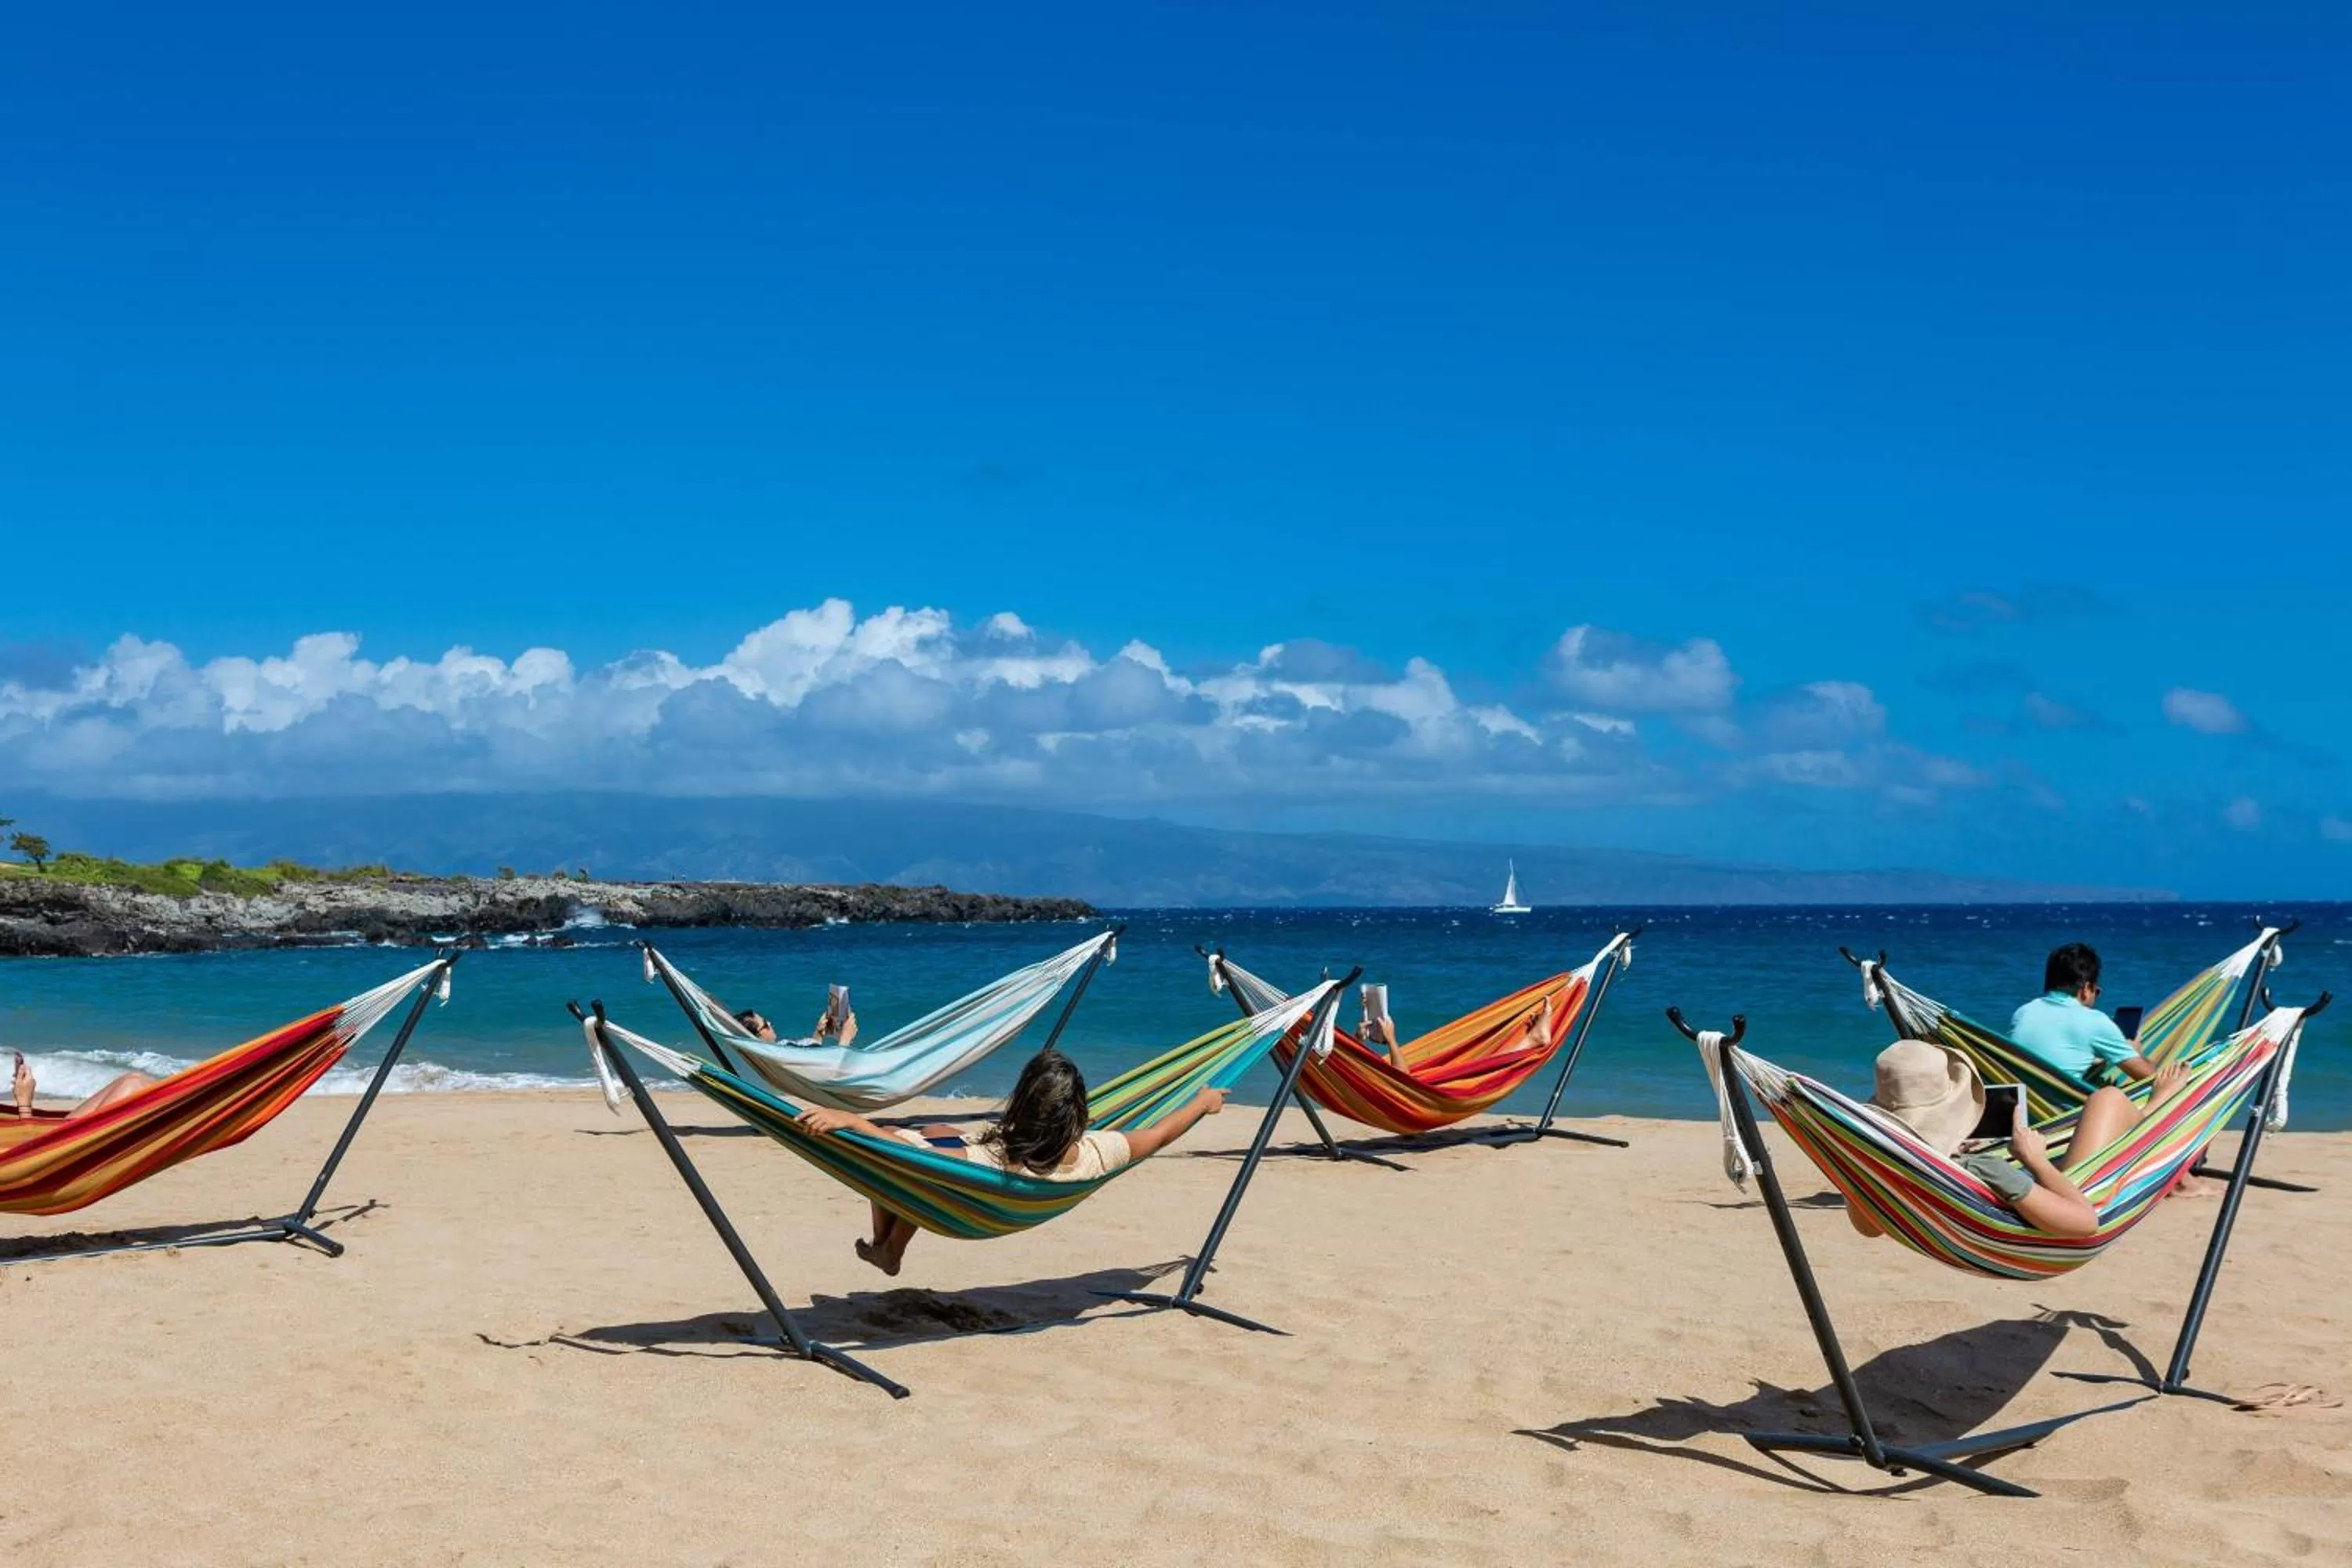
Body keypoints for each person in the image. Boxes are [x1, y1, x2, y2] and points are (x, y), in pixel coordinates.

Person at [793, 1046, 1229, 1276]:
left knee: (896, 1151)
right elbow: (1161, 1132)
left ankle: (886, 1246)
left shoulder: (988, 1160)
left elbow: (902, 1153)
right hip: (1002, 1188)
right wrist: (1201, 1103)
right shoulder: (1100, 1151)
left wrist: (851, 1120)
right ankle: (888, 1248)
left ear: (1021, 1104)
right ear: (1079, 1114)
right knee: (929, 1146)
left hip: (967, 1182)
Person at [1851, 1038, 2184, 1240]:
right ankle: (2159, 1105)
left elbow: (1868, 1228)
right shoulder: (1985, 1170)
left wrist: (1943, 1150)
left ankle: (2151, 1107)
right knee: (2108, 1098)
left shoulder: (1886, 1169)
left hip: (1962, 1191)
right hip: (2075, 1193)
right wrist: (2034, 1160)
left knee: (2107, 1104)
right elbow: (2085, 1223)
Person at [2011, 942, 2155, 1084]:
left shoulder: (2023, 1013)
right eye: (2096, 991)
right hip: (2065, 1106)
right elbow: (2150, 1077)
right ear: (2086, 988)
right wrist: (2135, 1051)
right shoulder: (2094, 1021)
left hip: (2025, 1104)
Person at [10, 1050, 158, 1120]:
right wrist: (24, 1103)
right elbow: (30, 1164)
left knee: (133, 1079)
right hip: (57, 1159)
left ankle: (178, 1105)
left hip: (48, 1144)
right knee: (133, 1085)